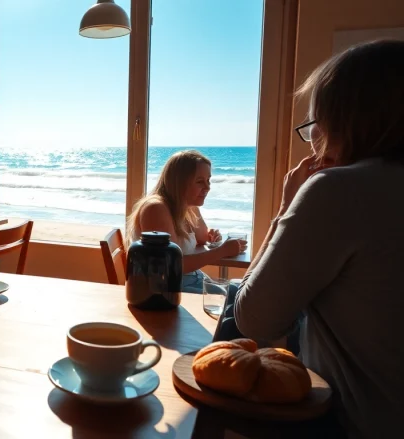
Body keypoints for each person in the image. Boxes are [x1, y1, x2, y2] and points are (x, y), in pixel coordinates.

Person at [232, 40, 404, 438]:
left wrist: (286, 208)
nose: (313, 141)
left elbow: (254, 319)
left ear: (346, 121)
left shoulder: (339, 189)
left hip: (354, 422)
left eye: (315, 126)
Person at [126, 150, 247, 292]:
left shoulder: (185, 205)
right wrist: (222, 251)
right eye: (200, 181)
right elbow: (173, 265)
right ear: (180, 183)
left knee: (244, 289)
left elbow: (202, 238)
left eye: (208, 180)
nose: (208, 187)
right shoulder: (156, 209)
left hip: (189, 279)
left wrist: (211, 234)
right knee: (238, 298)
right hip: (165, 289)